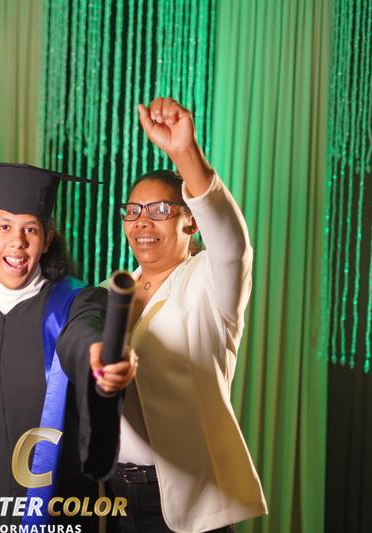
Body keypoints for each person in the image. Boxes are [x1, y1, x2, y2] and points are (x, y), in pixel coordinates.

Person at [0, 162, 137, 533]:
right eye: (4, 227)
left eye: (30, 229)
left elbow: (83, 336)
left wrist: (97, 356)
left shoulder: (77, 304)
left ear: (46, 240)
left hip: (58, 516)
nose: (17, 242)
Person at [105, 97, 267, 533]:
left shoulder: (209, 282)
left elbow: (231, 241)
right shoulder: (109, 292)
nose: (143, 222)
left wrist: (184, 152)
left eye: (160, 211)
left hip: (186, 502)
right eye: (133, 212)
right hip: (110, 498)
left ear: (190, 222)